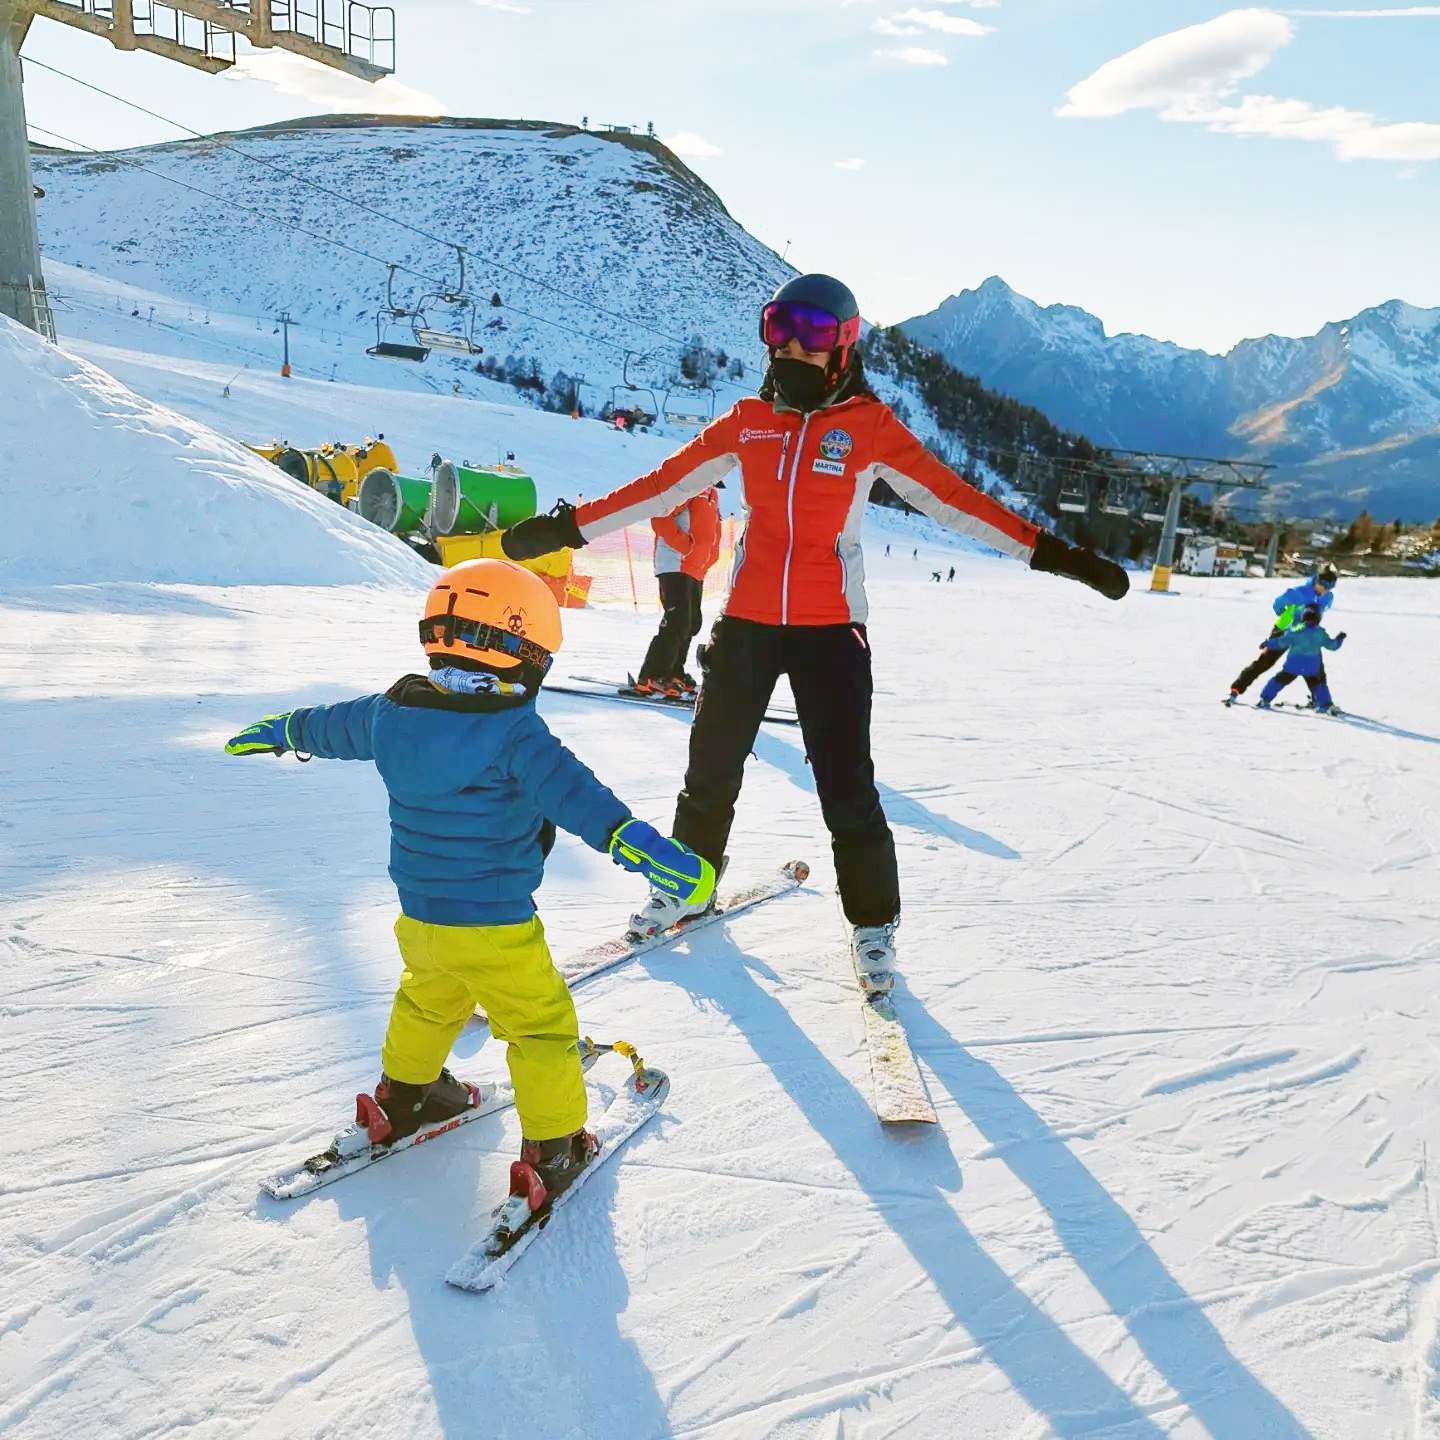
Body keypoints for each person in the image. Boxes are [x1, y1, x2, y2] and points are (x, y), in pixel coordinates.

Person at [500, 273, 1126, 993]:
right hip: (746, 626)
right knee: (710, 771)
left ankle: (873, 923)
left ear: (844, 345)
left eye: (815, 331)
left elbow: (958, 504)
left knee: (846, 787)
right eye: (780, 325)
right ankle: (687, 883)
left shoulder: (870, 430)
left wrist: (1060, 556)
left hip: (832, 632)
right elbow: (659, 486)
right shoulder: (746, 423)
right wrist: (568, 527)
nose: (794, 343)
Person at [223, 560, 713, 1208]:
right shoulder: (515, 733)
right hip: (496, 926)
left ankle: (405, 1097)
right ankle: (555, 1146)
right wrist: (649, 852)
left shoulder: (390, 712)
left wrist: (284, 729)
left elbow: (328, 725)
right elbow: (582, 801)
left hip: (421, 919)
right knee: (539, 1028)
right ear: (526, 654)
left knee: (428, 1002)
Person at [635, 485, 722, 698]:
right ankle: (652, 676)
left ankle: (674, 672)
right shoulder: (690, 486)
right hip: (675, 563)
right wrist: (684, 545)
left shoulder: (712, 492)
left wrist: (710, 556)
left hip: (695, 568)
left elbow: (714, 531)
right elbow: (660, 519)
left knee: (691, 623)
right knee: (677, 621)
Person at [1227, 565, 1337, 702]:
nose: (1326, 590)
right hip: (1284, 630)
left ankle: (1320, 700)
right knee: (1265, 662)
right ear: (1317, 581)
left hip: (1306, 634)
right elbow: (1278, 604)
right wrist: (1285, 616)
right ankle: (1236, 689)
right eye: (1324, 586)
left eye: (1330, 587)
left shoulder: (1328, 597)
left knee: (1315, 666)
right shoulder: (1299, 592)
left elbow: (1321, 611)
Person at [1252, 605, 1346, 713]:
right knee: (1318, 685)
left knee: (1278, 681)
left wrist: (1268, 643)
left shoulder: (1294, 631)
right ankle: (1325, 706)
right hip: (1312, 668)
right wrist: (1340, 639)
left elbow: (1281, 642)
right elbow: (1332, 646)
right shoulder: (1320, 633)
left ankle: (1264, 699)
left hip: (1292, 667)